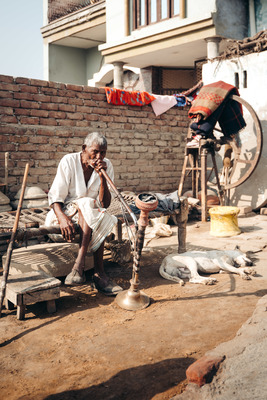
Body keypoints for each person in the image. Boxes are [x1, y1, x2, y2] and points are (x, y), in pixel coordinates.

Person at [45, 132, 123, 296]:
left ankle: (83, 269)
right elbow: (55, 196)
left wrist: (102, 177)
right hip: (66, 215)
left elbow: (105, 204)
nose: (99, 156)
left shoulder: (106, 165)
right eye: (95, 151)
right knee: (89, 204)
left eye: (103, 152)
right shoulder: (69, 161)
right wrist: (62, 218)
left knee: (98, 211)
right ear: (84, 149)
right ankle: (97, 272)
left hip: (91, 215)